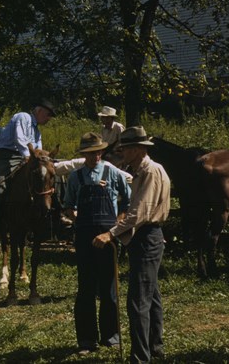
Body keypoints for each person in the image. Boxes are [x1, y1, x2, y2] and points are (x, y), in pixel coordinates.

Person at [92, 126, 171, 363]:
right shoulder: (139, 170)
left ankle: (139, 357)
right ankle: (154, 346)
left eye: (124, 149)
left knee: (138, 301)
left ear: (137, 150)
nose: (121, 153)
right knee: (151, 294)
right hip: (144, 237)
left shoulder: (149, 171)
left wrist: (111, 234)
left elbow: (140, 213)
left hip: (147, 237)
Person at [62, 132, 131, 355]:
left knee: (109, 288)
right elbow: (68, 205)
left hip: (108, 236)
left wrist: (118, 225)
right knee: (86, 289)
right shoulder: (75, 177)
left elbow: (128, 201)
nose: (96, 156)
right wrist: (77, 220)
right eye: (91, 153)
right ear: (84, 154)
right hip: (84, 237)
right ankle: (86, 340)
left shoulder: (112, 172)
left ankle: (111, 336)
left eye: (99, 152)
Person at [0, 99, 56, 237]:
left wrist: (43, 160)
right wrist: (28, 157)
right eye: (47, 114)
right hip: (7, 156)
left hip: (27, 156)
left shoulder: (37, 131)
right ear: (39, 111)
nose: (49, 118)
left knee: (43, 179)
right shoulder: (23, 117)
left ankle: (42, 219)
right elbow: (19, 139)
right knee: (0, 186)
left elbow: (39, 149)